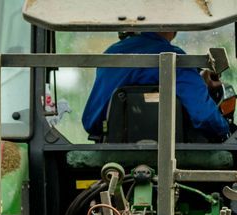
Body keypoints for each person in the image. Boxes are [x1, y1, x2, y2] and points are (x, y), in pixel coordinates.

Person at [82, 31, 230, 142]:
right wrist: (226, 131)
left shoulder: (111, 54)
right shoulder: (176, 59)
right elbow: (205, 117)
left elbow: (91, 121)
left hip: (114, 162)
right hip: (175, 160)